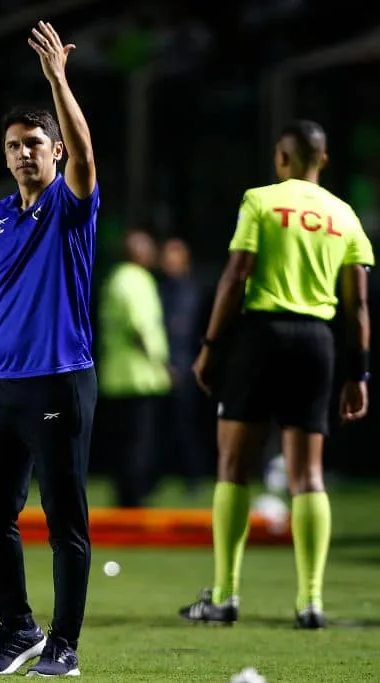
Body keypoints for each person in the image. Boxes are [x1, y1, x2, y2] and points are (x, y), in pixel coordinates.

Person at [0, 20, 98, 677]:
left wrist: (58, 80)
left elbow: (88, 160)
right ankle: (20, 629)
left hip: (60, 380)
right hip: (1, 387)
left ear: (54, 152)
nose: (25, 153)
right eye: (14, 145)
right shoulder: (2, 216)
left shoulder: (69, 204)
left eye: (35, 143)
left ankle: (65, 644)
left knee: (65, 522)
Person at [178, 120, 373, 629]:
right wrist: (359, 373)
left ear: (280, 159)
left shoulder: (261, 201)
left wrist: (211, 348)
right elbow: (357, 308)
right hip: (317, 343)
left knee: (232, 467)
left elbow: (236, 274)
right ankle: (310, 603)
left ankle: (225, 597)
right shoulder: (344, 214)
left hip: (261, 337)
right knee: (307, 475)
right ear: (323, 160)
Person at [97, 229, 171, 508]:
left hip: (117, 376)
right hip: (138, 377)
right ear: (136, 252)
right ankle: (133, 503)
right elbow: (139, 327)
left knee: (123, 444)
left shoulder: (115, 279)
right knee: (139, 445)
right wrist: (161, 364)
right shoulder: (135, 280)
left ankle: (125, 498)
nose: (152, 252)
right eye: (148, 248)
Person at [158, 237, 207, 496]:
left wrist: (176, 365)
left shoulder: (187, 291)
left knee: (185, 425)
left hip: (182, 367)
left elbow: (181, 330)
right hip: (164, 367)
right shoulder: (163, 288)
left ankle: (193, 477)